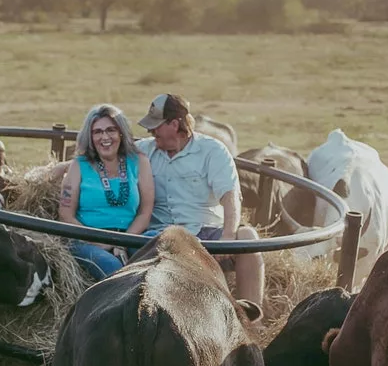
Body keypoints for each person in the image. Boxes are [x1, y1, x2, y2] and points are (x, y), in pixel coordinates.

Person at [134, 93, 264, 306]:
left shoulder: (212, 151)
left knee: (248, 235)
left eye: (156, 126)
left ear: (175, 124)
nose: (151, 131)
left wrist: (228, 235)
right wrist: (66, 166)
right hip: (158, 236)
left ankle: (252, 318)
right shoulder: (144, 150)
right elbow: (105, 158)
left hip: (204, 234)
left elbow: (230, 196)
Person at [58, 104, 155, 281]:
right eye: (97, 132)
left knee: (161, 242)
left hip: (130, 235)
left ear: (121, 133)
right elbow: (65, 214)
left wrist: (122, 241)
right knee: (114, 268)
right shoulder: (79, 165)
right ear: (90, 136)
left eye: (111, 130)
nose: (105, 137)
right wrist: (99, 242)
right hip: (87, 240)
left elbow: (145, 212)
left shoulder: (139, 161)